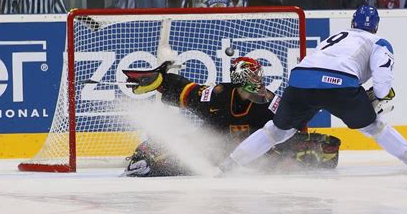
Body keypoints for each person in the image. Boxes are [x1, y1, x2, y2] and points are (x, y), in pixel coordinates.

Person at [219, 6, 407, 175]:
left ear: (353, 23)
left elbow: (316, 65)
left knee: (277, 130)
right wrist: (379, 98)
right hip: (340, 85)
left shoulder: (335, 37)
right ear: (376, 27)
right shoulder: (378, 42)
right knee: (374, 126)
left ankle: (230, 163)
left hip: (301, 80)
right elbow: (383, 84)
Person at [121, 57, 341, 177]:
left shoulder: (272, 104)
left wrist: (300, 148)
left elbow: (295, 125)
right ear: (241, 78)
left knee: (307, 155)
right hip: (211, 152)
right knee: (154, 163)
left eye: (259, 74)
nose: (259, 79)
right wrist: (158, 80)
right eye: (253, 75)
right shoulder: (218, 96)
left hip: (253, 158)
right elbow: (186, 90)